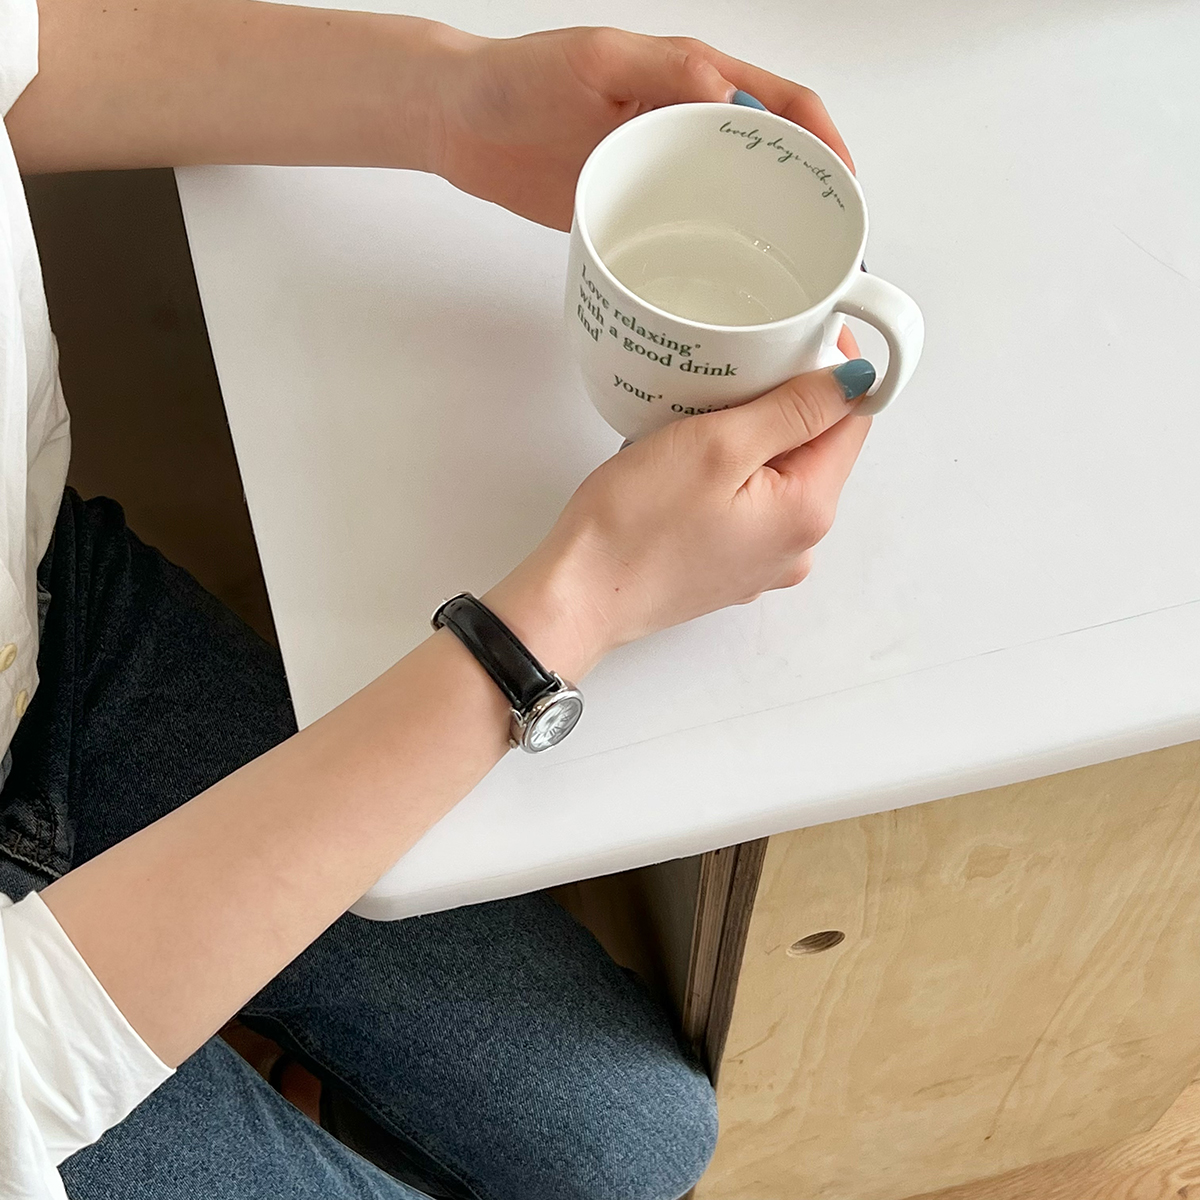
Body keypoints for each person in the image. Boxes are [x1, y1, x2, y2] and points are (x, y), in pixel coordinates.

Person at [0, 3, 874, 1198]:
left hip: (46, 618)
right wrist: (568, 610)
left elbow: (23, 57)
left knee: (638, 1141)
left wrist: (458, 105)